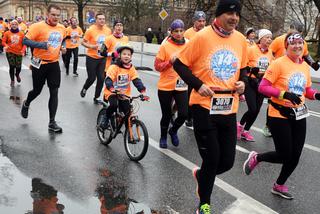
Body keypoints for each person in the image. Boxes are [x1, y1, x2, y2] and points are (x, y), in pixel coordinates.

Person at [173, 0, 246, 213]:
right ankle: (204, 203)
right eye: (230, 14)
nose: (234, 18)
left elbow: (244, 67)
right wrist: (199, 85)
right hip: (204, 107)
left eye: (237, 15)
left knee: (227, 162)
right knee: (212, 158)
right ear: (219, 14)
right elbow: (179, 64)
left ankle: (201, 175)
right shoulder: (202, 36)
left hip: (229, 108)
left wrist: (243, 81)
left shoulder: (240, 39)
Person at [244, 32, 320, 200]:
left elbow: (306, 90)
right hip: (279, 114)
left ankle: (279, 185)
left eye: (301, 43)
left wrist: (316, 95)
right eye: (294, 43)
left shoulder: (304, 66)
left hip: (299, 114)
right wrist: (284, 94)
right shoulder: (278, 63)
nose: (298, 46)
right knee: (285, 154)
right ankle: (257, 157)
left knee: (295, 156)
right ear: (287, 46)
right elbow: (263, 87)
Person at [20, 4, 67, 133]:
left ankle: (52, 122)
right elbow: (25, 40)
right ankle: (27, 102)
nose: (56, 17)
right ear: (47, 14)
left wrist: (63, 47)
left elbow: (64, 39)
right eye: (53, 15)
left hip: (53, 63)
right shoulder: (37, 26)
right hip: (39, 63)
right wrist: (41, 45)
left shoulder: (62, 28)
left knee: (54, 91)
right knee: (37, 90)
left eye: (58, 15)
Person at [154, 19, 188, 149]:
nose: (179, 33)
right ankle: (163, 137)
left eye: (181, 30)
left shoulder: (188, 45)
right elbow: (157, 66)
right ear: (171, 32)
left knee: (184, 114)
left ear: (184, 31)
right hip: (165, 86)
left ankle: (173, 130)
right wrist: (170, 62)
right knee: (166, 114)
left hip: (181, 85)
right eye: (176, 31)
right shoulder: (165, 46)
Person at [99, 43, 147, 130]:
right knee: (113, 105)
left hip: (124, 94)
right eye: (124, 54)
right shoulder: (114, 67)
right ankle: (105, 119)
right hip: (112, 92)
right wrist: (112, 88)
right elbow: (108, 80)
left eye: (129, 54)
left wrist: (142, 91)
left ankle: (128, 133)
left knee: (128, 112)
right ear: (119, 55)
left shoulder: (131, 68)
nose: (127, 56)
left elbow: (136, 80)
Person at [237, 29, 273, 141]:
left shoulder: (270, 52)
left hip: (262, 84)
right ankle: (240, 126)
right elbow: (242, 65)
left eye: (270, 38)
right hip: (251, 82)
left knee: (257, 110)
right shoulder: (251, 50)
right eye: (267, 37)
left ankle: (246, 131)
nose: (269, 39)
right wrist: (251, 69)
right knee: (252, 109)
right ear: (261, 39)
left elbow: (271, 68)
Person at [80, 13, 111, 104]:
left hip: (102, 58)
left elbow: (109, 42)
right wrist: (92, 46)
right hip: (91, 57)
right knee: (92, 78)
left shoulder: (108, 30)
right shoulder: (90, 30)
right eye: (100, 19)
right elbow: (83, 42)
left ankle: (96, 97)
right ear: (96, 20)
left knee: (101, 79)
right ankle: (85, 88)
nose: (102, 21)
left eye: (103, 19)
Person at [183, 10, 207, 127]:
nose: (202, 23)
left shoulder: (208, 33)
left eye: (203, 21)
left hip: (204, 69)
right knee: (191, 93)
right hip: (191, 69)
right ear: (194, 21)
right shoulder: (188, 33)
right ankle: (189, 116)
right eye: (199, 21)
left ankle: (199, 115)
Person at [2, 19, 26, 87]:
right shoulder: (7, 33)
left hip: (19, 52)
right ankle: (12, 80)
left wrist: (23, 50)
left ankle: (17, 74)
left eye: (15, 24)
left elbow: (24, 43)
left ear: (17, 25)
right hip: (10, 52)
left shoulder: (21, 33)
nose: (14, 25)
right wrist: (6, 46)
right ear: (10, 25)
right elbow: (3, 42)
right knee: (12, 66)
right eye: (13, 24)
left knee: (18, 67)